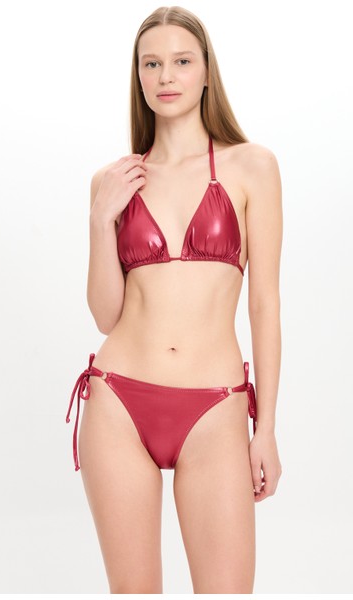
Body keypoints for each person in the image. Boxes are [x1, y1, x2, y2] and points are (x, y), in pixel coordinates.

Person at [66, 5, 283, 594]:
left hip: (215, 409)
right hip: (119, 402)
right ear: (137, 75)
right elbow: (105, 314)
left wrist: (265, 428)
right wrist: (100, 220)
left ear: (206, 71)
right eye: (152, 64)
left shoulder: (252, 166)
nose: (166, 76)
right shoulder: (113, 180)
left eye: (182, 62)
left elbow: (264, 304)